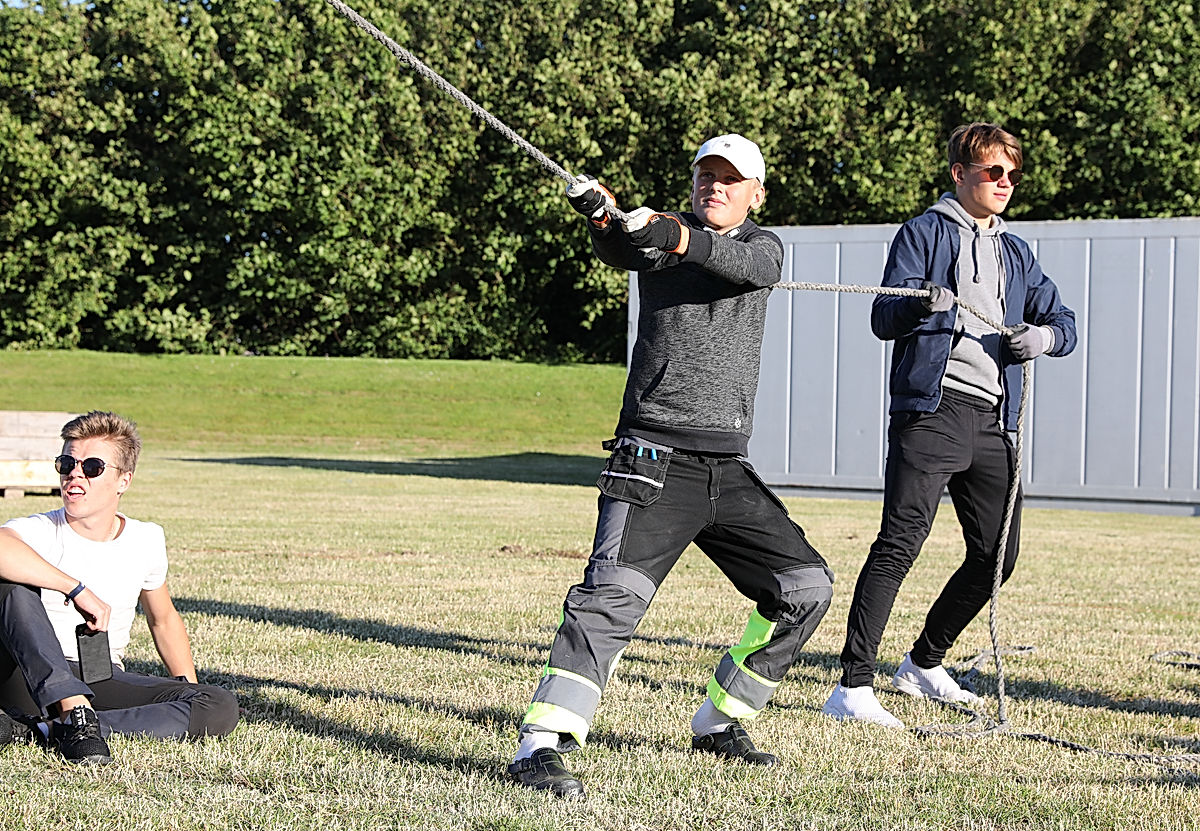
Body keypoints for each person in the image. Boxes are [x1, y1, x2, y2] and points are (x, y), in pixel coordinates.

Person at [508, 135, 835, 797]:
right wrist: (602, 216)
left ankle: (720, 720)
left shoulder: (762, 246)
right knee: (611, 598)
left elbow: (744, 267)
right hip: (652, 460)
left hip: (726, 468)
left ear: (756, 193)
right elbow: (622, 249)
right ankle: (540, 744)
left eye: (731, 179)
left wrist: (676, 236)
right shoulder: (660, 237)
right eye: (706, 176)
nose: (716, 186)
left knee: (805, 588)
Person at [821, 123, 1077, 727]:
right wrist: (919, 303)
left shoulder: (1017, 253)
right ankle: (852, 689)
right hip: (931, 414)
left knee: (997, 557)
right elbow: (884, 316)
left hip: (993, 422)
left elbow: (1064, 322)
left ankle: (923, 664)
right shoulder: (924, 233)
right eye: (994, 172)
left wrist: (1043, 337)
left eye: (1013, 174)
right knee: (899, 545)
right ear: (960, 174)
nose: (1005, 183)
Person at [0, 410, 238, 762]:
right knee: (9, 582)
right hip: (26, 675)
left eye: (92, 467)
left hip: (97, 674)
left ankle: (50, 729)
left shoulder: (146, 538)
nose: (75, 474)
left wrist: (186, 687)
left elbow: (163, 619)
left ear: (124, 480)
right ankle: (72, 709)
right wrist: (75, 589)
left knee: (217, 704)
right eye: (67, 464)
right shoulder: (39, 531)